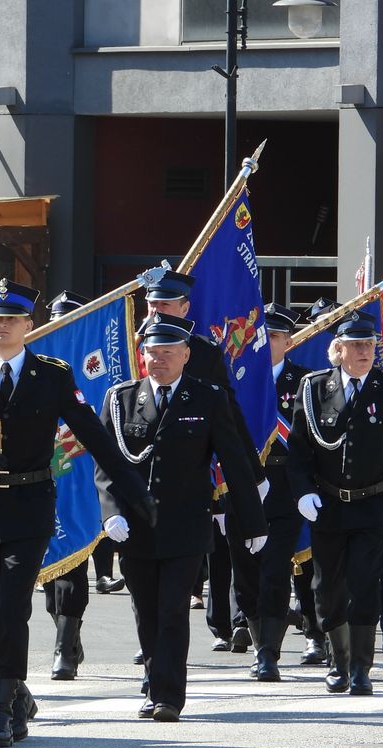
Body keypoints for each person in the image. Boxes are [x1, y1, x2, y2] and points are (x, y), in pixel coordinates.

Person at [0, 278, 155, 747]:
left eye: (12, 319)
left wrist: (136, 491)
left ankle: (1, 708)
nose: (2, 325)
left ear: (29, 324)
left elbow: (92, 433)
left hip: (30, 504)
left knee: (12, 606)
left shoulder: (51, 373)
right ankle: (18, 693)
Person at [97, 313, 267, 722]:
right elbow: (105, 464)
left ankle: (169, 696)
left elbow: (235, 462)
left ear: (186, 355)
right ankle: (154, 685)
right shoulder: (120, 399)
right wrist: (110, 513)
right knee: (146, 610)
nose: (158, 360)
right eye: (152, 353)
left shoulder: (208, 397)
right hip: (135, 527)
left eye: (168, 353)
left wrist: (254, 521)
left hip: (186, 526)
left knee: (172, 608)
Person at [288, 311, 383, 695]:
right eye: (355, 345)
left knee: (364, 582)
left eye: (369, 345)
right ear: (338, 349)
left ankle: (360, 668)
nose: (364, 352)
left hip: (374, 505)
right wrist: (302, 489)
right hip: (329, 504)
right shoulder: (314, 388)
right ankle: (337, 662)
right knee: (327, 587)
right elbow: (300, 449)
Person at [140, 270, 267, 654]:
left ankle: (230, 622)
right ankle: (152, 639)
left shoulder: (203, 352)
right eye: (152, 304)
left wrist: (252, 470)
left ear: (185, 308)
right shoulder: (129, 346)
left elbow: (227, 414)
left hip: (191, 473)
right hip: (138, 476)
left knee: (210, 554)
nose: (157, 311)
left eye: (165, 304)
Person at [41, 290, 119, 681]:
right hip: (41, 474)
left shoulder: (92, 361)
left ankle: (64, 648)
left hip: (80, 472)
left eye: (67, 318)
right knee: (47, 569)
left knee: (73, 564)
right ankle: (66, 633)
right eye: (56, 318)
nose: (61, 325)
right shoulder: (38, 361)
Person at [242, 302, 312, 681]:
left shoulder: (303, 382)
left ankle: (268, 652)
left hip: (284, 488)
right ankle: (257, 640)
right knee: (246, 576)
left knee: (275, 570)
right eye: (262, 336)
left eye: (275, 337)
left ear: (288, 342)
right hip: (243, 489)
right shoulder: (237, 379)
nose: (268, 343)